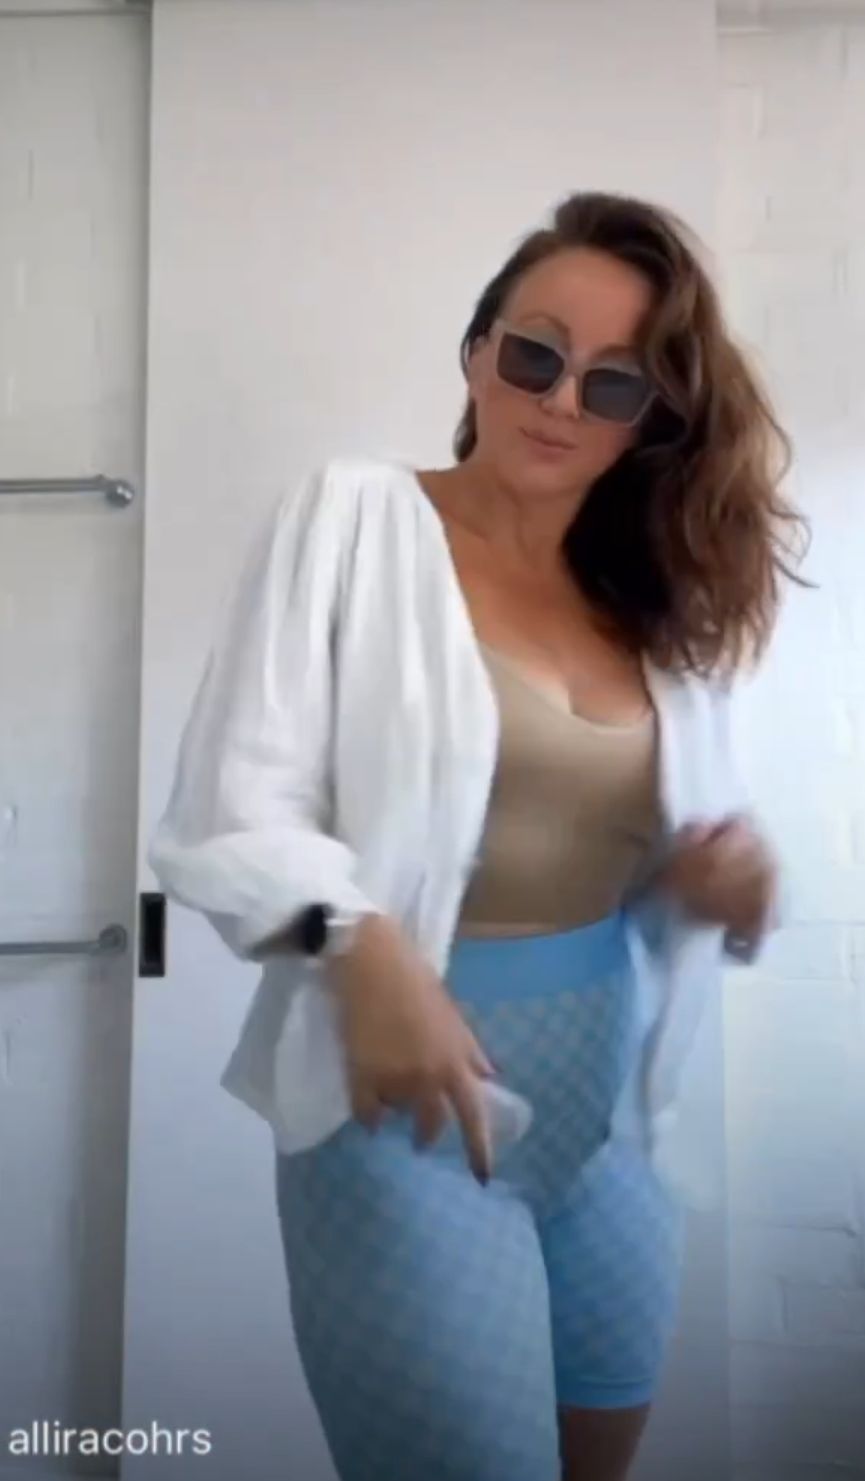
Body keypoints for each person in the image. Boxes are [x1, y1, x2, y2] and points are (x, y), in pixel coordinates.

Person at [150, 192, 803, 1481]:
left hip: (615, 1126)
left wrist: (705, 879)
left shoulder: (650, 594)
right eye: (534, 354)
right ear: (477, 350)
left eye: (612, 384)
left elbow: (603, 846)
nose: (559, 400)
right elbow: (228, 813)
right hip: (404, 1117)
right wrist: (360, 944)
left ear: (650, 420)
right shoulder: (354, 518)